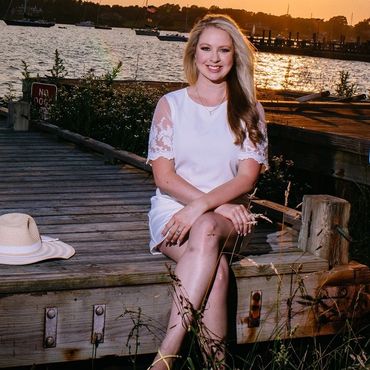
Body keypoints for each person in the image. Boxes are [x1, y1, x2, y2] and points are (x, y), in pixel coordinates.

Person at [146, 13, 268, 370]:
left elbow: (246, 180)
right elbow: (164, 178)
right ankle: (218, 366)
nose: (214, 58)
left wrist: (207, 207)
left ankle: (167, 353)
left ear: (235, 57)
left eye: (224, 50)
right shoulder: (171, 105)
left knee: (207, 226)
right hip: (173, 213)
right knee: (217, 272)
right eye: (206, 49)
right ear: (194, 54)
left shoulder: (249, 110)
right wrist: (205, 207)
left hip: (230, 219)